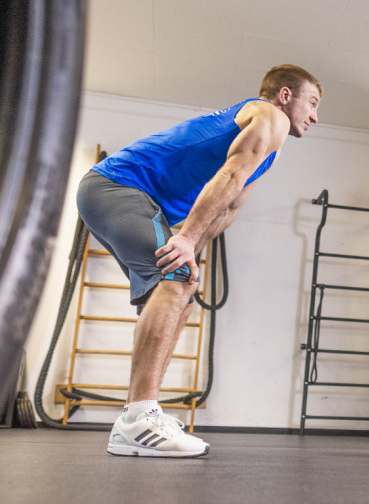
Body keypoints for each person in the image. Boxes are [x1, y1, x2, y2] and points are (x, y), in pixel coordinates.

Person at [76, 64, 321, 457]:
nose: (314, 115)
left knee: (182, 293)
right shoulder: (268, 114)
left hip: (129, 198)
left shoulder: (272, 151)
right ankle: (138, 418)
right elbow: (227, 176)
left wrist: (192, 253)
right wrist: (186, 240)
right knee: (176, 279)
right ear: (286, 96)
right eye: (312, 102)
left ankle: (141, 413)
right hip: (117, 186)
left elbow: (229, 207)